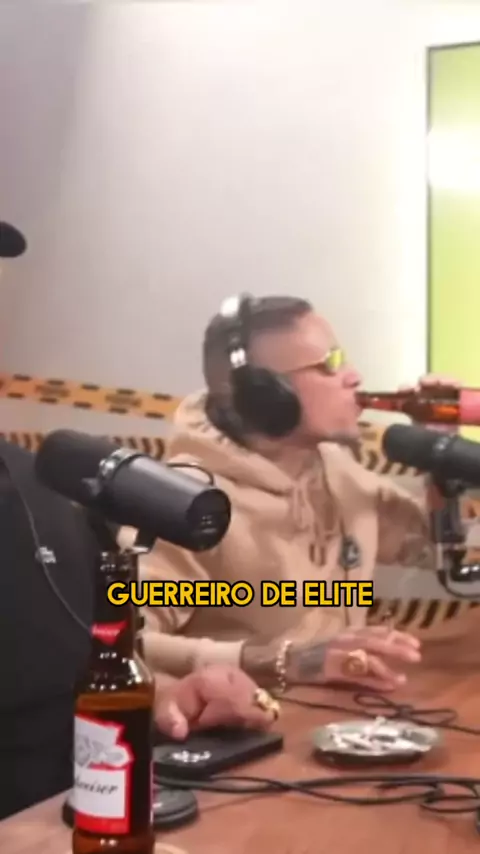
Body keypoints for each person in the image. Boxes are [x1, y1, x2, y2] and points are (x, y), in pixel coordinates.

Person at [139, 293, 452, 693]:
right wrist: (276, 661)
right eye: (330, 364)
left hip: (346, 714)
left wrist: (444, 462)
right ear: (267, 395)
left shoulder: (336, 468)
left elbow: (436, 550)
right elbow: (120, 639)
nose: (354, 376)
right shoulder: (186, 500)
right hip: (247, 722)